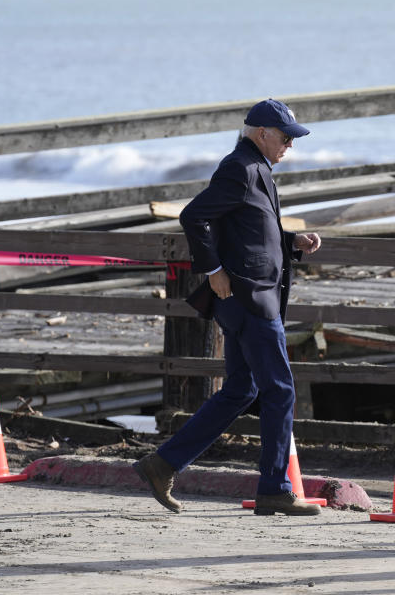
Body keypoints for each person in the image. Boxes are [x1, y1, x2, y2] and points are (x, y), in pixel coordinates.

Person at [134, 99, 323, 516]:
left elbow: (251, 229)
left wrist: (293, 242)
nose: (290, 144)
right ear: (262, 134)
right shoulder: (241, 167)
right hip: (250, 299)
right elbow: (193, 217)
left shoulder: (258, 169)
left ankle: (162, 464)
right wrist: (214, 269)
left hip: (250, 297)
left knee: (243, 389)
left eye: (293, 137)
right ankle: (274, 487)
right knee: (280, 390)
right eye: (286, 136)